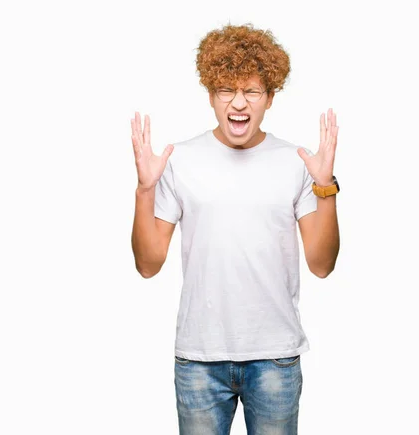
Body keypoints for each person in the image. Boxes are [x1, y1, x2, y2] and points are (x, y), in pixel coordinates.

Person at [131, 23, 340, 435]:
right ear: (211, 94)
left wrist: (326, 188)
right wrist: (144, 189)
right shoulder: (181, 160)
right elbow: (147, 264)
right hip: (199, 360)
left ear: (271, 97)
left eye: (252, 91)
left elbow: (322, 264)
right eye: (226, 89)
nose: (238, 103)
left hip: (275, 358)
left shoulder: (297, 162)